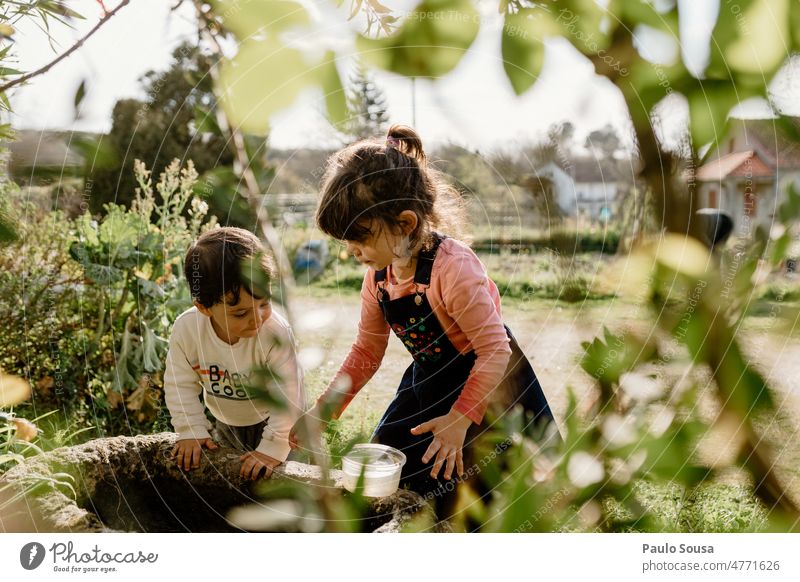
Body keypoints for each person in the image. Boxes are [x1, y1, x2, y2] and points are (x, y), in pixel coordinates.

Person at [291, 125, 559, 509]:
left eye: (361, 237)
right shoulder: (378, 279)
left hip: (492, 385)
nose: (351, 251)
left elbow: (496, 351)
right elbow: (367, 352)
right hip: (430, 382)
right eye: (345, 242)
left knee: (487, 491)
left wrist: (460, 418)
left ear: (405, 224)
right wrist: (324, 411)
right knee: (392, 469)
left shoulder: (453, 269)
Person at [164, 227, 304, 480]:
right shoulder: (188, 330)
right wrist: (191, 429)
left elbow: (289, 395)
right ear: (204, 307)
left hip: (282, 426)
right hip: (227, 423)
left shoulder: (275, 333)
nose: (257, 319)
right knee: (237, 479)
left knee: (282, 481)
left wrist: (274, 447)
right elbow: (179, 384)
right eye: (240, 313)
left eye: (264, 304)